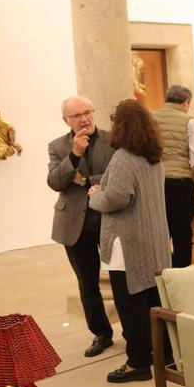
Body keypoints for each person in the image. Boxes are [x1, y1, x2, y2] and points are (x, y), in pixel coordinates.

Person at [88, 100, 171, 384]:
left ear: (120, 124)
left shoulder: (123, 157)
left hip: (129, 244)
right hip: (155, 240)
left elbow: (116, 198)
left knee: (130, 304)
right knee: (153, 301)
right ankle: (163, 355)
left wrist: (94, 196)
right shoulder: (154, 156)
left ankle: (138, 363)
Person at [47, 96, 117, 358]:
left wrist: (84, 179)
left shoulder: (113, 139)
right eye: (77, 115)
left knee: (121, 279)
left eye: (88, 112)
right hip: (75, 224)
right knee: (87, 283)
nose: (84, 119)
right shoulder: (57, 146)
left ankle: (134, 331)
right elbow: (55, 181)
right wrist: (74, 155)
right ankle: (101, 333)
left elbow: (117, 175)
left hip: (110, 219)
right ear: (66, 120)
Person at [152, 84, 194, 268]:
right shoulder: (188, 121)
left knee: (159, 232)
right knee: (182, 233)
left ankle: (161, 274)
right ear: (185, 103)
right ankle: (181, 274)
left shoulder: (150, 119)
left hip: (154, 182)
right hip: (179, 183)